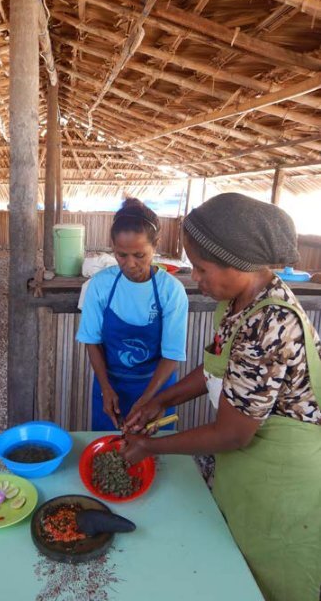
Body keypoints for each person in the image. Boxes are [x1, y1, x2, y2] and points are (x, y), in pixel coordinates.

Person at [121, 193, 321, 601]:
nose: (196, 277)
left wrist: (151, 445)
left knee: (268, 579)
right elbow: (218, 367)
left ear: (241, 266)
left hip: (281, 480)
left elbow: (232, 435)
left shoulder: (271, 324)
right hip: (248, 467)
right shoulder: (238, 303)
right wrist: (163, 398)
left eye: (203, 268)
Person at [76, 198, 188, 431]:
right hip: (111, 386)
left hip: (157, 389)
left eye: (139, 255)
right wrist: (106, 388)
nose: (130, 264)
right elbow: (92, 341)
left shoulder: (171, 291)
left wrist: (149, 400)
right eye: (121, 255)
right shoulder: (100, 286)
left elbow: (172, 355)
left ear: (155, 246)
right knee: (108, 451)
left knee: (153, 455)